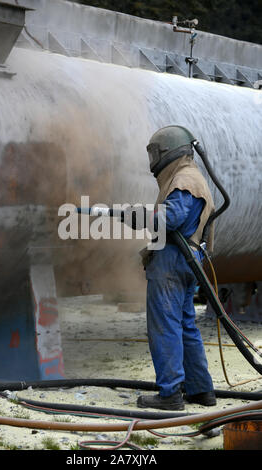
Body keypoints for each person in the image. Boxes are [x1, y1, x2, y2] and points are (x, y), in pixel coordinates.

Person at [123, 125, 217, 411]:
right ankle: (201, 390)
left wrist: (140, 217)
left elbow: (171, 218)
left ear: (168, 153)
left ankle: (170, 394)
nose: (153, 160)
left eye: (155, 153)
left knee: (165, 326)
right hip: (189, 261)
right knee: (186, 325)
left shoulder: (184, 180)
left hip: (172, 261)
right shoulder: (191, 177)